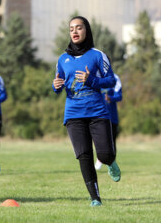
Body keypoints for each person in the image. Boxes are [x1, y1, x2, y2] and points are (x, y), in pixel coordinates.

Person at [52, 16, 121, 207]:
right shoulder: (62, 59)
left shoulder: (98, 55)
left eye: (79, 28)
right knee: (84, 155)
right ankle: (95, 198)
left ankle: (111, 162)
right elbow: (58, 82)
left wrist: (91, 80)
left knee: (105, 154)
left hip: (97, 112)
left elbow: (111, 81)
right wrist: (55, 86)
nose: (74, 32)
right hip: (73, 113)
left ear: (87, 31)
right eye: (71, 29)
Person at [95, 73, 122, 170]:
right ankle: (100, 158)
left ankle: (112, 164)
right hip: (97, 115)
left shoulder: (115, 78)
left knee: (112, 142)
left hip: (111, 116)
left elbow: (119, 96)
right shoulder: (94, 76)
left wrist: (111, 98)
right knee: (98, 139)